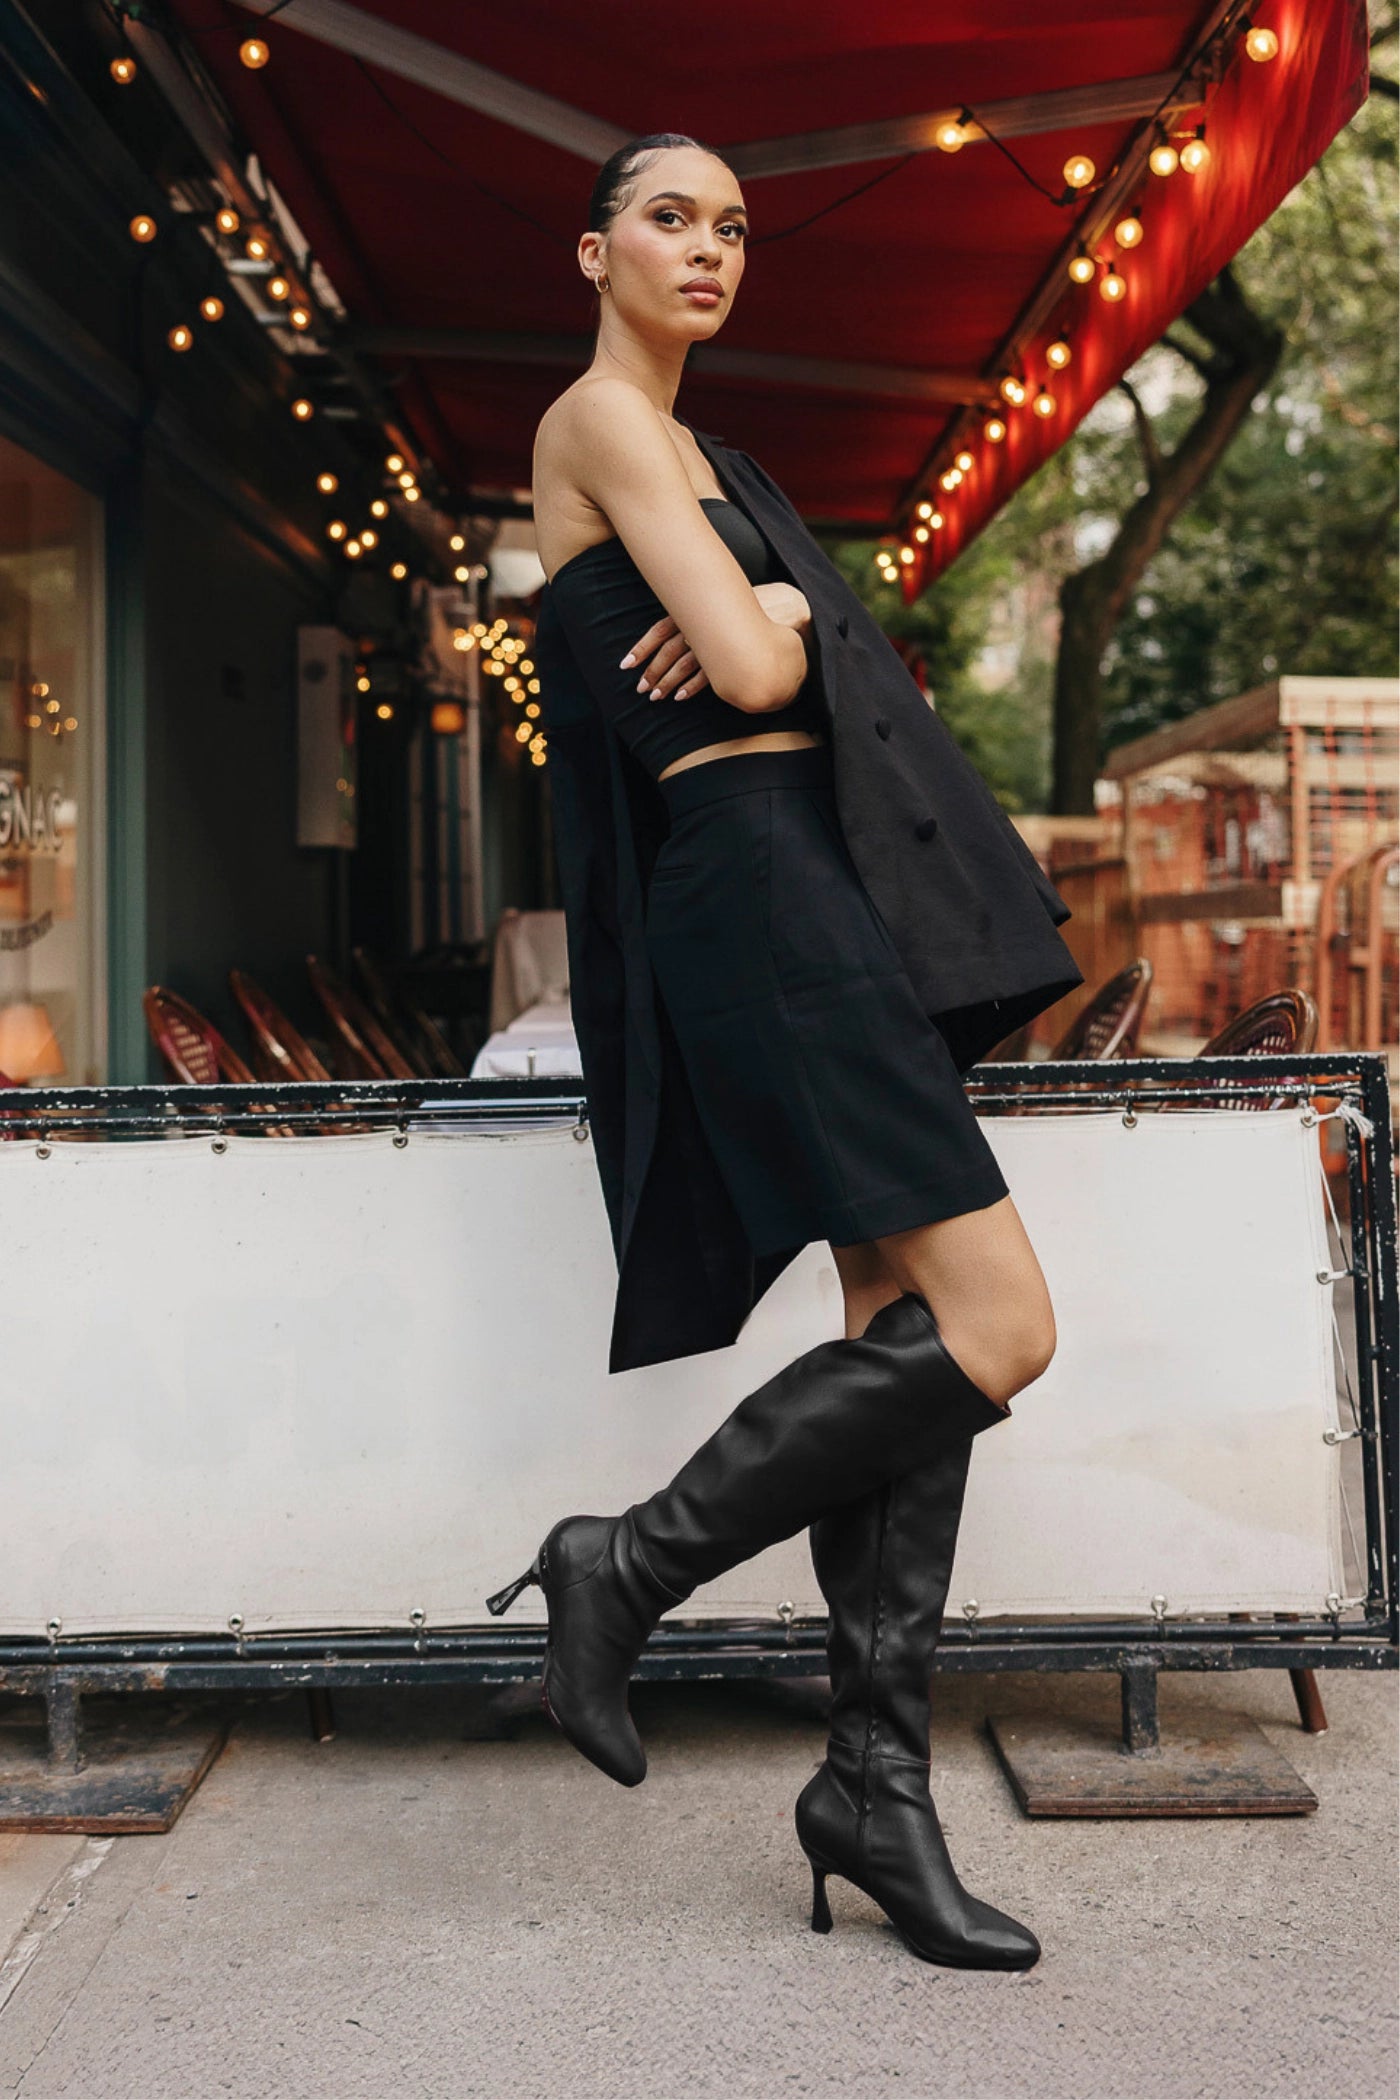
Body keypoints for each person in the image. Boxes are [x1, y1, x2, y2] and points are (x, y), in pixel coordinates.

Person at [488, 133, 1066, 1972]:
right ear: (594, 251)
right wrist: (779, 623)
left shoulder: (714, 461)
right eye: (670, 217)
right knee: (1003, 1329)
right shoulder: (600, 422)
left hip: (809, 884)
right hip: (755, 888)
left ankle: (873, 1790)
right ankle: (627, 1561)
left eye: (734, 226)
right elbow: (741, 680)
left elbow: (774, 639)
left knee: (909, 1333)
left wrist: (794, 605)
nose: (710, 248)